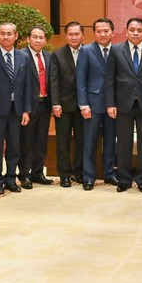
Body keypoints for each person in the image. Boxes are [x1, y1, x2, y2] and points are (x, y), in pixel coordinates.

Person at [105, 17, 142, 193]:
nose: (136, 33)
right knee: (123, 143)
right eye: (132, 30)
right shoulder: (115, 50)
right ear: (127, 31)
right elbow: (109, 79)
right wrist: (110, 103)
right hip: (123, 104)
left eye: (139, 30)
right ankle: (124, 179)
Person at [0, 22, 32, 195]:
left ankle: (11, 178)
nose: (6, 37)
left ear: (16, 36)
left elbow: (27, 86)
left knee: (15, 146)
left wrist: (26, 110)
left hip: (16, 110)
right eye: (3, 33)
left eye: (10, 34)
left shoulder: (24, 57)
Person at [77, 18, 119, 190]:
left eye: (106, 31)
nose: (102, 34)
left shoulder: (118, 51)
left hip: (113, 105)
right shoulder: (86, 51)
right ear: (94, 33)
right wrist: (83, 104)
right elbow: (81, 79)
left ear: (112, 33)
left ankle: (109, 174)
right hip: (92, 105)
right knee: (90, 142)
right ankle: (88, 176)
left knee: (110, 141)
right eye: (99, 31)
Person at [50, 21, 85, 187]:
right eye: (70, 34)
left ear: (82, 35)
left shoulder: (88, 52)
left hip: (83, 106)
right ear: (66, 36)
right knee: (63, 141)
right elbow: (54, 81)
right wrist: (55, 103)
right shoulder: (57, 54)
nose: (74, 37)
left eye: (77, 34)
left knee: (81, 141)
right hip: (63, 106)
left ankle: (79, 172)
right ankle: (64, 174)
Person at [18, 26, 54, 189]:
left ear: (45, 40)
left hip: (44, 104)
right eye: (35, 37)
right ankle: (24, 174)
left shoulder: (48, 56)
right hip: (28, 106)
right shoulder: (21, 56)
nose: (38, 40)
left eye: (41, 37)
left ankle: (38, 172)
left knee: (41, 140)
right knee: (27, 141)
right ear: (28, 39)